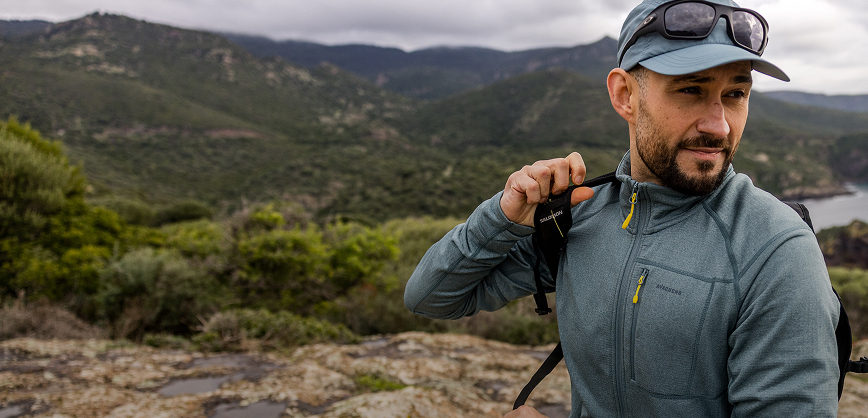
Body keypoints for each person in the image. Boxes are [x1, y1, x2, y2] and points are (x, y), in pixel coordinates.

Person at [404, 0, 841, 416]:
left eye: (736, 94)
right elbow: (432, 297)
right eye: (691, 90)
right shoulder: (579, 217)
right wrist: (502, 215)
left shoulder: (775, 250)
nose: (719, 124)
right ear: (625, 95)